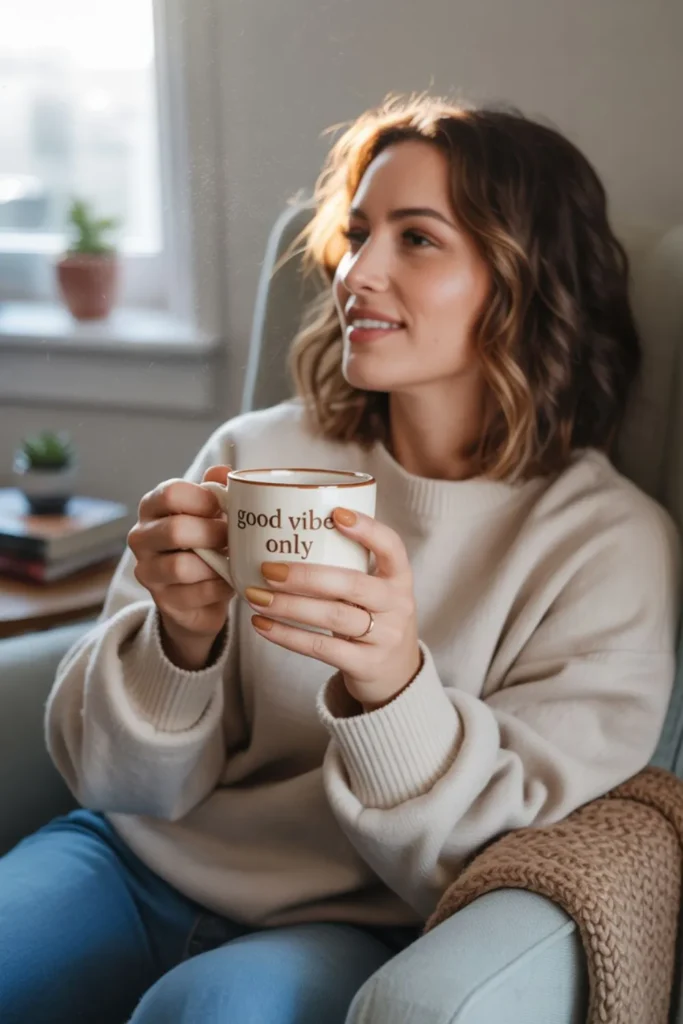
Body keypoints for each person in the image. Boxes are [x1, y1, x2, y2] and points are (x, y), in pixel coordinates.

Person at [1, 95, 679, 1024]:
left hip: (356, 919)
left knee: (210, 1009)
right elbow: (117, 782)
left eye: (417, 239)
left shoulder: (606, 545)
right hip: (135, 857)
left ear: (523, 279)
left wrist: (394, 689)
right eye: (357, 234)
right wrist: (178, 640)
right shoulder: (254, 452)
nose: (356, 273)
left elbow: (502, 856)